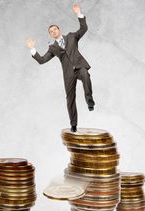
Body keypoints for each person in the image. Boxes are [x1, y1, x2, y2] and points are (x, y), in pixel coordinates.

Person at [26, 3, 95, 133]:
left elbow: (83, 28)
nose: (53, 32)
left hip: (79, 67)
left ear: (59, 29)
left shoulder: (71, 37)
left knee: (85, 74)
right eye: (51, 31)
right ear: (50, 35)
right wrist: (32, 49)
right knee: (70, 99)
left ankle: (89, 100)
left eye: (55, 29)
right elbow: (42, 60)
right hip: (68, 74)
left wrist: (79, 13)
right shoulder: (53, 48)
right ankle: (73, 124)